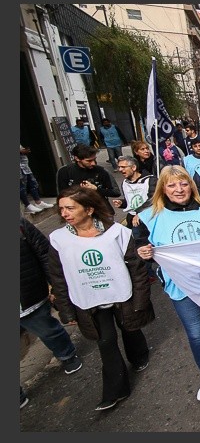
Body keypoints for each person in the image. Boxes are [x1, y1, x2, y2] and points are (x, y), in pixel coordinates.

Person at [135, 166, 200, 401]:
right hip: (181, 287)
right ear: (163, 188)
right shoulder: (150, 217)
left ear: (191, 185)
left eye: (183, 184)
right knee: (195, 334)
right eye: (172, 185)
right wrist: (142, 251)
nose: (179, 189)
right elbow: (140, 245)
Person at [49, 186, 154, 411]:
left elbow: (136, 268)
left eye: (70, 208)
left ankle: (139, 355)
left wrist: (140, 300)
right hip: (89, 300)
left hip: (122, 295)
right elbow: (58, 277)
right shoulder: (58, 239)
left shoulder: (117, 232)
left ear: (88, 209)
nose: (64, 213)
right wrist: (66, 310)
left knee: (129, 328)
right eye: (61, 209)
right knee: (105, 341)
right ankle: (116, 391)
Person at [20, 217, 83, 409]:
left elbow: (45, 254)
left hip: (29, 295)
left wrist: (55, 286)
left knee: (48, 330)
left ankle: (66, 355)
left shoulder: (20, 224)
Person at [56, 144, 120, 216]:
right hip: (77, 215)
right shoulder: (64, 172)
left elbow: (116, 192)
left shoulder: (102, 171)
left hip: (101, 212)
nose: (93, 163)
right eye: (89, 161)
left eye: (94, 159)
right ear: (77, 158)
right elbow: (62, 195)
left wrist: (96, 189)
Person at [111, 155, 156, 230]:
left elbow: (153, 199)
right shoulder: (125, 183)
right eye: (119, 167)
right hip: (132, 219)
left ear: (133, 167)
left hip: (149, 217)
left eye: (123, 167)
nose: (120, 169)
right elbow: (131, 202)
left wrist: (140, 213)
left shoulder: (150, 180)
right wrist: (122, 203)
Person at [20, 144, 55, 214]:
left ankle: (38, 202)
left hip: (25, 166)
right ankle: (27, 205)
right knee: (22, 187)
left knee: (33, 183)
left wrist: (24, 150)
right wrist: (22, 151)